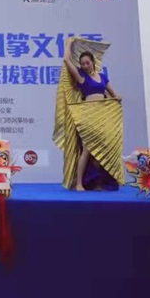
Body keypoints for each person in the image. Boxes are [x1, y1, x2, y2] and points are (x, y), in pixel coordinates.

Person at [54, 37, 124, 191]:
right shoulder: (81, 78)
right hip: (88, 117)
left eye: (87, 63)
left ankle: (98, 182)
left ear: (93, 62)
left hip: (103, 117)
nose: (85, 66)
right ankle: (79, 183)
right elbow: (66, 60)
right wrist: (69, 44)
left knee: (103, 148)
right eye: (83, 64)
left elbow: (113, 95)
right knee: (87, 150)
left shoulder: (103, 77)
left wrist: (118, 97)